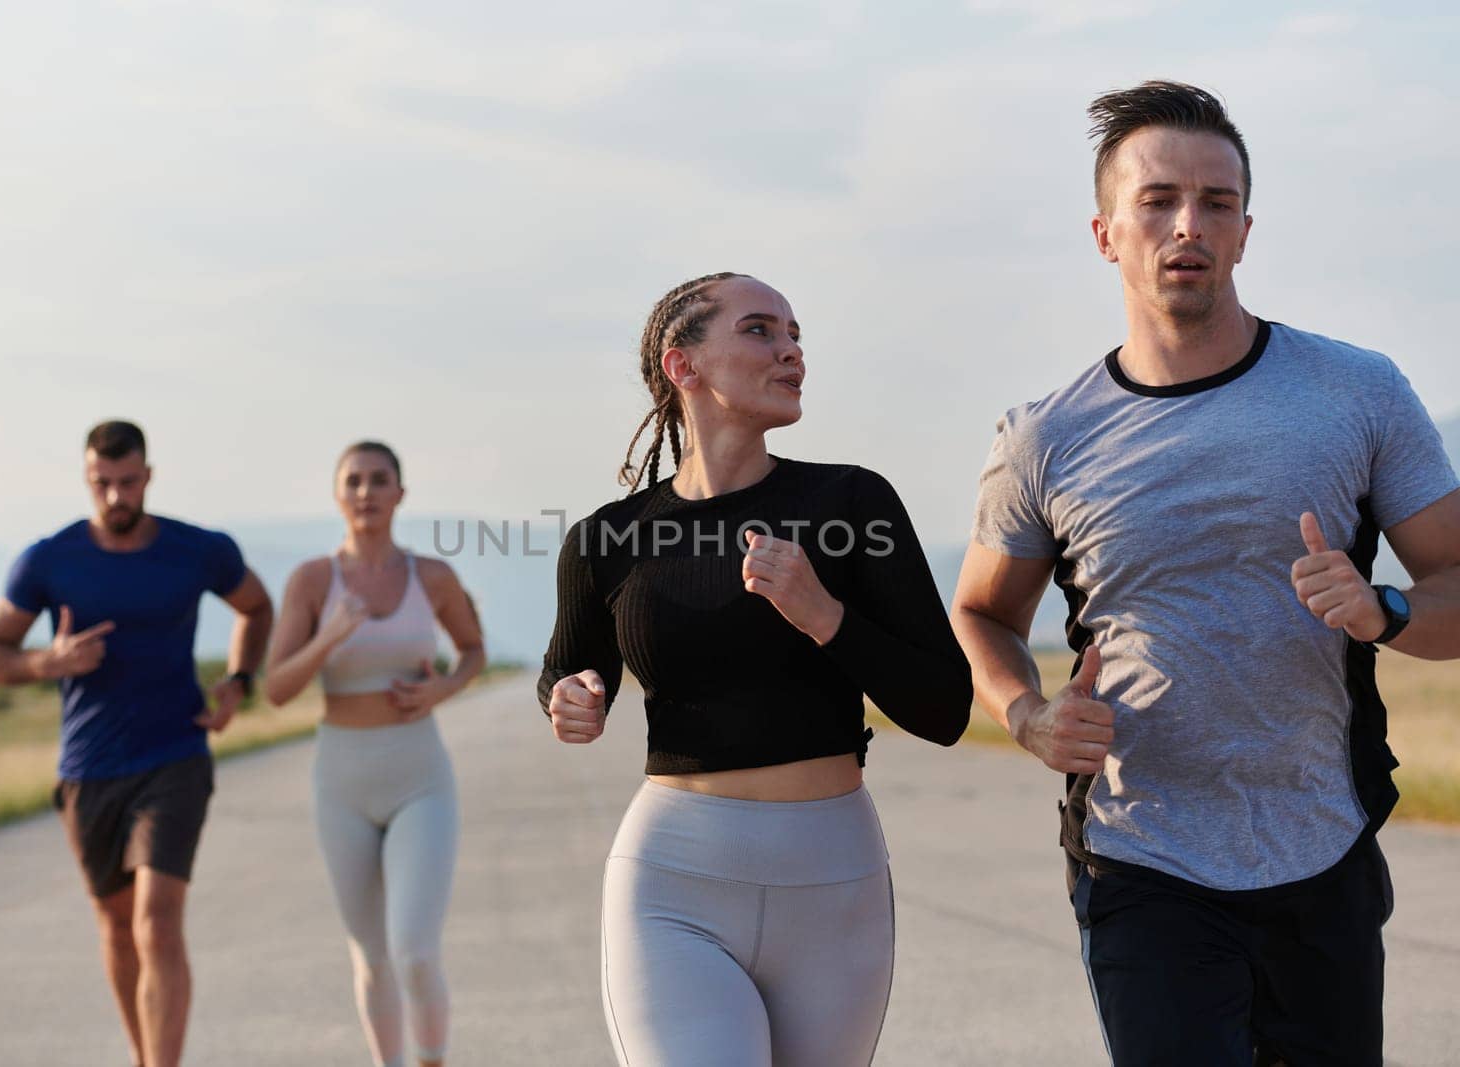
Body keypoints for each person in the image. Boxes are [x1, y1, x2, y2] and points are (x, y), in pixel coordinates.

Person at [950, 81, 1460, 1066]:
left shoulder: (1353, 392)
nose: (1187, 224)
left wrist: (1384, 607)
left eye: (1215, 203)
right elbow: (980, 613)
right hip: (1140, 854)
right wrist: (1027, 714)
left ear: (1243, 230)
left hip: (1323, 845)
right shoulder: (1044, 436)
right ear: (1104, 233)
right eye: (1157, 200)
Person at [540, 272, 972, 1066]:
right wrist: (568, 698)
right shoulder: (607, 539)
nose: (791, 350)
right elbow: (569, 673)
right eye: (760, 330)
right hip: (673, 880)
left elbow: (945, 708)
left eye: (795, 333)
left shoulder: (853, 506)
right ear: (684, 366)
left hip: (833, 880)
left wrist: (823, 614)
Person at [0, 419, 273, 1067]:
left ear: (149, 476)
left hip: (176, 755)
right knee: (115, 924)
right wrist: (43, 662)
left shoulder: (199, 549)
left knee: (156, 918)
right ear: (87, 479)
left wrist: (238, 682)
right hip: (89, 767)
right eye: (101, 483)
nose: (115, 495)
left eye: (127, 481)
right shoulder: (48, 559)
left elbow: (256, 606)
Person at [263, 441, 485, 1067]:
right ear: (338, 496)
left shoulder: (432, 577)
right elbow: (277, 689)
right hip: (342, 780)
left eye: (378, 480)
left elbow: (473, 650)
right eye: (354, 481)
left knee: (414, 949)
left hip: (420, 776)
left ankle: (433, 1059)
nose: (366, 492)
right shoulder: (311, 581)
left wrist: (443, 687)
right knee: (370, 953)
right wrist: (330, 635)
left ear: (399, 494)